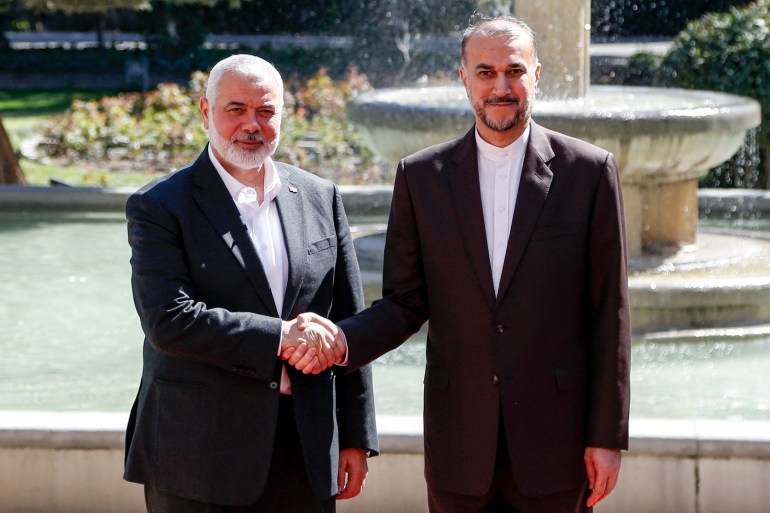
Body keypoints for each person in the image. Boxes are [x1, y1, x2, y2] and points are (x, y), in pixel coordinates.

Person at [288, 15, 631, 513]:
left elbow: (610, 315)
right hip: (458, 443)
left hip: (556, 440)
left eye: (514, 71)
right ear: (464, 78)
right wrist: (341, 341)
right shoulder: (420, 177)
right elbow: (405, 304)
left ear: (536, 75)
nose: (501, 86)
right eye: (486, 72)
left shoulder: (589, 172)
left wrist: (606, 436)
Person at [123, 53, 378, 513]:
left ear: (283, 114)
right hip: (198, 454)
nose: (251, 124)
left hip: (305, 448)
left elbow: (348, 322)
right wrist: (282, 337)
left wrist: (356, 437)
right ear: (206, 112)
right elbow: (168, 321)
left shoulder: (322, 197)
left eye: (265, 111)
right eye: (235, 109)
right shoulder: (159, 206)